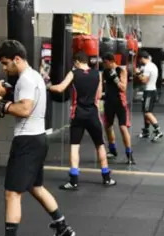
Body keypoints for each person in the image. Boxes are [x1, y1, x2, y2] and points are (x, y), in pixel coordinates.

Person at [0, 40, 75, 236]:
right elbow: (4, 88)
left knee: (12, 193)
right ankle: (61, 227)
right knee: (35, 186)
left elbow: (24, 109)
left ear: (17, 59)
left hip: (27, 141)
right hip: (38, 139)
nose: (4, 68)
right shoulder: (33, 77)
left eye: (6, 63)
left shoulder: (25, 79)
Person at [48, 51, 117, 190]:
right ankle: (106, 178)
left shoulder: (73, 73)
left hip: (78, 113)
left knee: (75, 146)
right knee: (100, 145)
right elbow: (98, 95)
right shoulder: (98, 73)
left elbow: (60, 88)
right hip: (93, 113)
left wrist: (48, 86)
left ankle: (73, 180)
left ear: (77, 61)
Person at [101, 52, 135, 165]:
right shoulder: (104, 72)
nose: (104, 65)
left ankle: (129, 154)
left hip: (120, 103)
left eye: (106, 63)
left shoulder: (121, 71)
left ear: (111, 62)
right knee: (108, 126)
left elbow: (123, 88)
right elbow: (102, 87)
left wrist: (115, 78)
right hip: (109, 102)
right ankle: (112, 150)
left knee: (122, 127)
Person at [135, 50, 164, 142]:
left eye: (140, 59)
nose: (139, 61)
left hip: (149, 92)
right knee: (145, 112)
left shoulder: (148, 67)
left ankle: (158, 131)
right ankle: (146, 131)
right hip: (152, 91)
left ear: (142, 58)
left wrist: (138, 73)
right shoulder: (153, 65)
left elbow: (144, 81)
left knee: (147, 112)